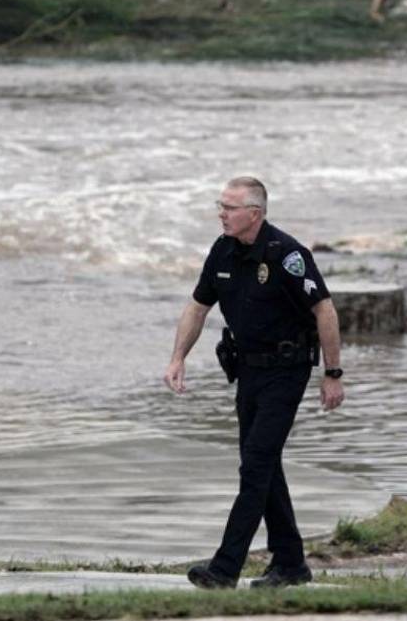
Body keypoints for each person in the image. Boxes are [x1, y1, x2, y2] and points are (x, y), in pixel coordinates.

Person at [164, 176, 345, 589]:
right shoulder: (222, 250)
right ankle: (291, 563)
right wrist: (178, 358)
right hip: (248, 371)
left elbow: (325, 311)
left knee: (256, 466)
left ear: (255, 214)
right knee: (264, 465)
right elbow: (198, 307)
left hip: (287, 370)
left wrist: (332, 373)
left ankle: (225, 569)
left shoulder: (288, 255)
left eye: (229, 208)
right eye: (220, 206)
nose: (221, 214)